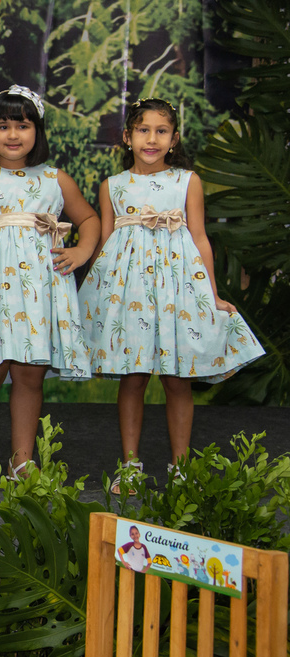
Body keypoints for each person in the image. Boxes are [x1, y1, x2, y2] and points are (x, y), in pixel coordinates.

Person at [79, 98, 264, 493]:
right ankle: (130, 465)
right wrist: (96, 297)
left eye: (161, 131)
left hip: (177, 290)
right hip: (130, 295)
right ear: (128, 137)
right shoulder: (112, 186)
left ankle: (182, 469)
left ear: (174, 138)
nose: (152, 139)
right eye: (143, 130)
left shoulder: (187, 181)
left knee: (178, 380)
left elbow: (199, 237)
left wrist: (211, 295)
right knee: (133, 377)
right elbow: (106, 243)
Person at [0, 85, 99, 491]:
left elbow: (89, 219)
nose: (13, 134)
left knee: (30, 377)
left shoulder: (55, 179)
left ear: (38, 131)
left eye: (23, 125)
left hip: (38, 295)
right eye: (3, 125)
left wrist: (82, 250)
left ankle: (22, 462)